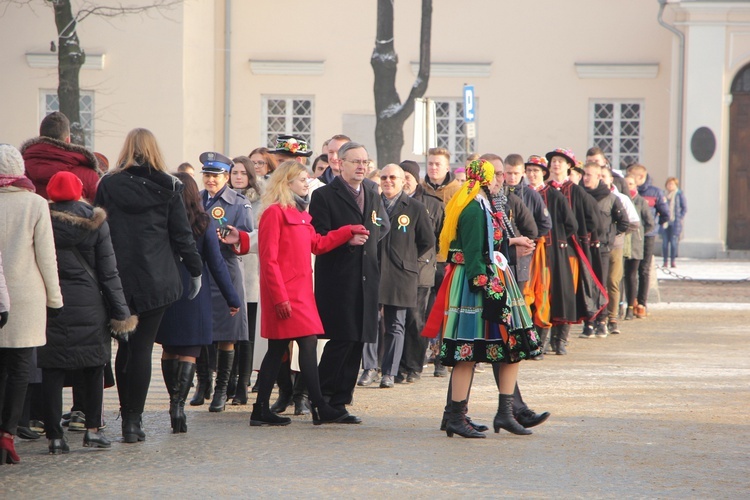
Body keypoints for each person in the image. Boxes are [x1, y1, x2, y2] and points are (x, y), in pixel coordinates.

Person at [94, 128, 203, 443]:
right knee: (142, 349)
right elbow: (181, 234)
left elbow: (100, 228)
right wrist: (195, 271)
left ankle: (126, 413)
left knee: (125, 346)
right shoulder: (170, 185)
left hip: (117, 277)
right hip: (156, 278)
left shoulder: (109, 184)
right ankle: (133, 423)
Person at [423, 159, 541, 439]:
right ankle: (456, 416)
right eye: (496, 176)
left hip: (493, 277)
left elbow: (492, 246)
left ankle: (505, 411)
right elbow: (475, 254)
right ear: (486, 181)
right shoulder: (475, 209)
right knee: (469, 352)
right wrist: (486, 285)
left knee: (512, 345)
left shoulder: (483, 205)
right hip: (477, 283)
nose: (501, 180)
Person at [251, 161, 370, 426]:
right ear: (287, 183)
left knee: (280, 350)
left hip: (301, 292)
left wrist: (347, 231)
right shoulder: (274, 213)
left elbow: (317, 244)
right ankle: (318, 406)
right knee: (303, 345)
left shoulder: (300, 214)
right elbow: (268, 260)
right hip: (284, 293)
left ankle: (262, 410)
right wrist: (280, 297)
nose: (307, 183)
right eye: (302, 179)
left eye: (307, 179)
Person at [40, 171, 137, 453]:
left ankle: (55, 436)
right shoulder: (96, 221)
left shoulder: (42, 218)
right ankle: (93, 430)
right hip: (90, 303)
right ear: (80, 190)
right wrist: (121, 315)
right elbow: (109, 272)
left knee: (51, 370)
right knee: (94, 366)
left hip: (51, 302)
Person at [310, 141, 389, 424]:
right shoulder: (324, 196)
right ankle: (322, 399)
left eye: (365, 162)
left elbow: (380, 227)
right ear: (339, 163)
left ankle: (341, 402)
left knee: (358, 340)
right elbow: (317, 237)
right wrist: (347, 240)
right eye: (355, 161)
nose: (361, 167)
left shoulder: (371, 191)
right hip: (339, 279)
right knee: (341, 339)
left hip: (367, 277)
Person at [156, 172, 241, 433]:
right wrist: (232, 297)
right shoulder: (203, 222)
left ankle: (174, 400)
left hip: (167, 290)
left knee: (169, 349)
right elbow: (216, 264)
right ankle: (178, 406)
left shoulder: (162, 219)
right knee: (189, 352)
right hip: (195, 292)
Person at [0, 144, 63, 464]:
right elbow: (46, 257)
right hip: (27, 297)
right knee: (21, 369)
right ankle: (7, 434)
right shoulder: (35, 204)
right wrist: (55, 298)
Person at [360, 164, 434, 388]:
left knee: (396, 325)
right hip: (372, 271)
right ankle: (369, 368)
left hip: (400, 275)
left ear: (403, 181)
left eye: (393, 177)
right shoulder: (370, 204)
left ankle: (389, 373)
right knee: (369, 322)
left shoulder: (415, 207)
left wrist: (406, 259)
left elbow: (427, 241)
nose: (388, 181)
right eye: (384, 177)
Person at [199, 152, 253, 413]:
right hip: (201, 270)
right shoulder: (195, 200)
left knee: (227, 332)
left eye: (216, 176)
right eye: (207, 175)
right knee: (200, 328)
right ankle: (202, 384)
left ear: (226, 177)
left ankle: (222, 389)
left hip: (227, 268)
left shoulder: (238, 203)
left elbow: (247, 237)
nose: (211, 180)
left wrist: (236, 238)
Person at [394, 160, 444, 384]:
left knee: (415, 319)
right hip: (395, 270)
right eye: (401, 176)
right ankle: (395, 366)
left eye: (408, 177)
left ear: (416, 179)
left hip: (421, 269)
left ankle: (413, 366)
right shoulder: (391, 201)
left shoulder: (433, 204)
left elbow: (439, 239)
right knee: (395, 321)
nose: (404, 181)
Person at [227, 156, 263, 405]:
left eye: (243, 172)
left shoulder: (261, 202)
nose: (238, 177)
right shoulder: (222, 199)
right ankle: (227, 382)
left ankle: (243, 384)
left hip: (251, 274)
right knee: (229, 333)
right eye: (234, 172)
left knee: (247, 334)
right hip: (228, 271)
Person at [580, 162, 629, 338]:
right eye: (584, 174)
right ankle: (588, 322)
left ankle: (601, 321)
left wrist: (610, 237)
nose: (585, 177)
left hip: (602, 248)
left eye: (589, 175)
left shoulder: (610, 198)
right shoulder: (579, 195)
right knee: (585, 285)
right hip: (583, 247)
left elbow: (623, 222)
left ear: (599, 177)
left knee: (601, 285)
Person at [20, 111, 101, 202]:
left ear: (40, 137)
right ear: (67, 139)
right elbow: (97, 210)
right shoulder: (88, 175)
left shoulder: (19, 172)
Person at [627, 164, 670, 317]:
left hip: (647, 236)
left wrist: (654, 227)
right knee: (630, 270)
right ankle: (630, 302)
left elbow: (665, 213)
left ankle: (642, 303)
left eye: (631, 175)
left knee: (644, 269)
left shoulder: (655, 192)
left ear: (640, 177)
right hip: (630, 236)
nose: (628, 178)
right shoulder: (627, 191)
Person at [623, 175, 655, 321]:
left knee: (632, 275)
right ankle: (621, 305)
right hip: (622, 242)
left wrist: (639, 233)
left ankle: (634, 305)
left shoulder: (641, 202)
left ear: (636, 186)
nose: (628, 187)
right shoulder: (621, 200)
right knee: (620, 276)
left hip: (636, 243)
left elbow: (649, 223)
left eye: (631, 184)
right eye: (626, 184)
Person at [660, 177, 687, 268]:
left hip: (675, 222)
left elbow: (684, 208)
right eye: (668, 184)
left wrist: (679, 217)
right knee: (664, 243)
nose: (670, 186)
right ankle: (665, 261)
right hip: (665, 222)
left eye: (672, 184)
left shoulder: (679, 195)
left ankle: (672, 261)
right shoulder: (663, 194)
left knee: (673, 242)